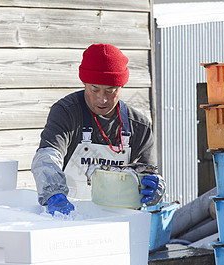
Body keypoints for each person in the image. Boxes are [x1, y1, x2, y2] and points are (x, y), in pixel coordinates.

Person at [31, 43, 165, 215]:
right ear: (85, 83)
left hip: (119, 220)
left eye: (111, 90)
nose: (102, 99)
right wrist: (54, 195)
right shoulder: (66, 112)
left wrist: (155, 186)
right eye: (94, 89)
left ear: (121, 87)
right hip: (70, 215)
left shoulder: (139, 126)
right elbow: (47, 157)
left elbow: (147, 173)